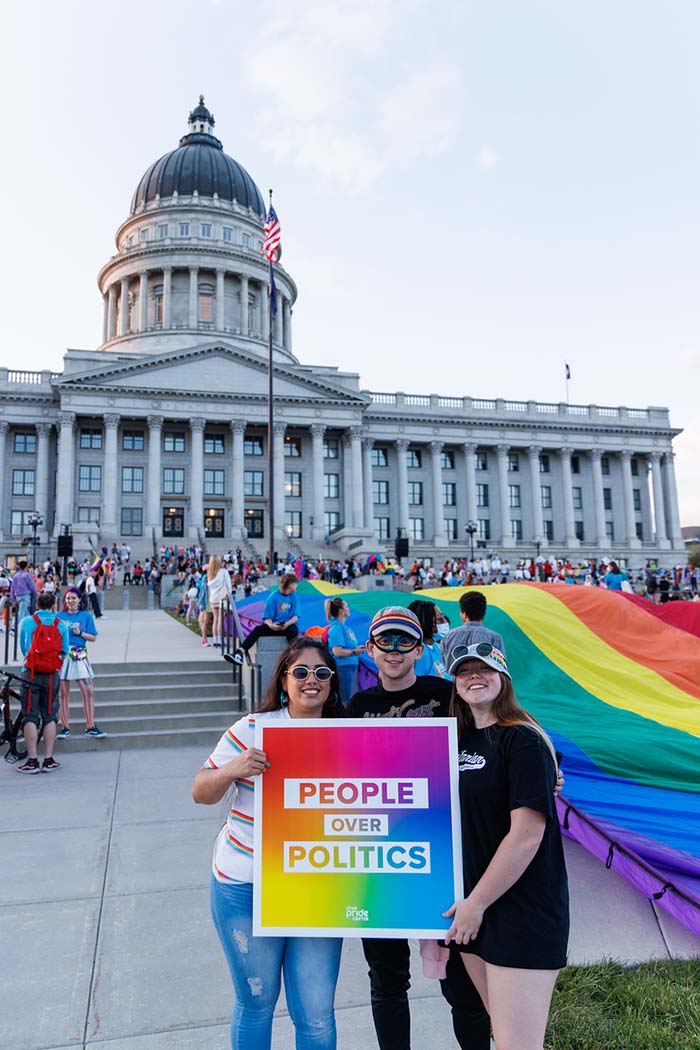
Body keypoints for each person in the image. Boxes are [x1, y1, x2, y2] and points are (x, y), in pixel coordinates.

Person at [347, 606, 491, 1050]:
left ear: (420, 648)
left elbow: (495, 731)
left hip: (443, 857)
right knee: (387, 980)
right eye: (384, 641)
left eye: (403, 641)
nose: (393, 650)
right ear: (369, 649)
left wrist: (546, 767)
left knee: (462, 985)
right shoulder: (357, 707)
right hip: (383, 861)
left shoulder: (446, 694)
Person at [192, 637, 345, 1049]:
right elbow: (200, 791)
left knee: (316, 1015)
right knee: (257, 1002)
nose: (311, 680)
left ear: (332, 682)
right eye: (300, 672)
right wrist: (235, 768)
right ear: (282, 680)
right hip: (247, 885)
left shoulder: (349, 735)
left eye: (321, 673)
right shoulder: (252, 729)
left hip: (318, 889)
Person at [443, 642, 569, 1050]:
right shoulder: (454, 741)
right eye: (465, 671)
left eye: (485, 669)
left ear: (504, 677)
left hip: (519, 911)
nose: (474, 676)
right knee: (504, 1034)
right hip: (473, 913)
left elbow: (526, 835)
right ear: (455, 682)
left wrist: (475, 904)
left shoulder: (524, 740)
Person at [16, 590, 71, 773]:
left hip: (30, 673)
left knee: (30, 715)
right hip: (51, 674)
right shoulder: (61, 624)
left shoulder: (27, 622)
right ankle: (48, 759)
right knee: (50, 715)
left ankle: (32, 761)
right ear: (54, 605)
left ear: (36, 605)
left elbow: (24, 648)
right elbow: (64, 651)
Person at [56, 588, 106, 739]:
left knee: (88, 690)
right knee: (63, 693)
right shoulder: (59, 616)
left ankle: (90, 726)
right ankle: (65, 727)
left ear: (79, 599)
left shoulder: (85, 616)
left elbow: (93, 637)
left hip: (79, 653)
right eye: (68, 598)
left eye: (73, 598)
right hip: (62, 654)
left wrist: (80, 633)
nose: (70, 601)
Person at [233, 573, 300, 664]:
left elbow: (295, 617)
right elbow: (267, 617)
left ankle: (294, 655)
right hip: (275, 625)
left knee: (293, 630)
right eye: (295, 583)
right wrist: (271, 625)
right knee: (258, 630)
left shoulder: (294, 596)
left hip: (288, 625)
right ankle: (240, 652)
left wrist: (286, 624)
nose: (297, 586)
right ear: (290, 585)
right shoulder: (273, 597)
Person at [441, 591, 506, 671]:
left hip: (452, 683)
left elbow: (441, 665)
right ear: (483, 612)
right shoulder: (495, 638)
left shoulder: (448, 637)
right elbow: (501, 668)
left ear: (464, 614)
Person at [325, 596, 364, 704]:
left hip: (349, 668)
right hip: (343, 667)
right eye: (346, 606)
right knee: (344, 699)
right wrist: (355, 652)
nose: (349, 608)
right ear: (341, 611)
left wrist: (356, 650)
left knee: (346, 698)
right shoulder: (337, 628)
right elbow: (337, 651)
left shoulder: (344, 627)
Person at [408, 599, 450, 679]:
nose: (446, 622)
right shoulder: (419, 654)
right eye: (440, 619)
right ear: (428, 622)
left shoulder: (436, 647)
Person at [206, 555, 233, 648]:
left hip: (213, 598)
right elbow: (228, 585)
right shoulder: (223, 572)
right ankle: (220, 640)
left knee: (215, 619)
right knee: (220, 620)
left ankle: (215, 640)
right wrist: (228, 595)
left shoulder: (210, 573)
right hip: (222, 597)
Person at [11, 559, 37, 625]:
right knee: (22, 612)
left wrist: (13, 597)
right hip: (25, 595)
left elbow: (12, 587)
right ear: (26, 567)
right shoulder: (27, 575)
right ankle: (14, 626)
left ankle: (30, 624)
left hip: (17, 595)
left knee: (25, 612)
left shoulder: (15, 576)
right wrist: (36, 593)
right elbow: (31, 585)